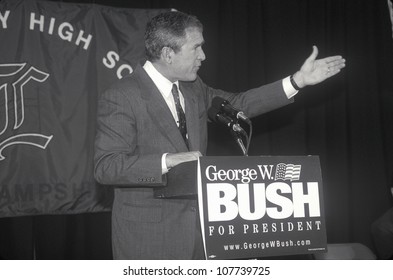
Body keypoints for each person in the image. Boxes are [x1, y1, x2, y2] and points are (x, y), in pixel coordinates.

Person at [94, 11, 346, 260]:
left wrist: (297, 81)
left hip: (202, 235)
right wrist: (167, 161)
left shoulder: (193, 86)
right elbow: (106, 166)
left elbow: (237, 103)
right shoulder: (122, 96)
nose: (203, 56)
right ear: (168, 54)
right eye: (196, 48)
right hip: (150, 240)